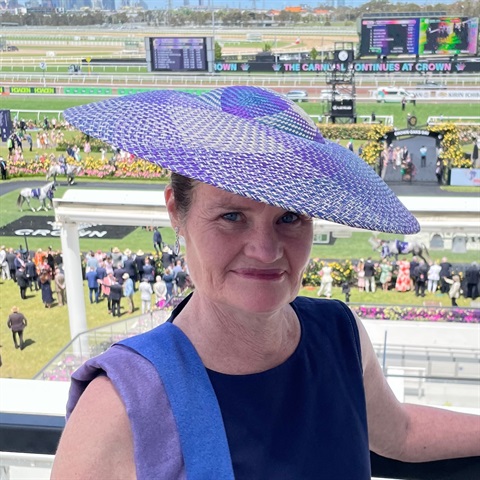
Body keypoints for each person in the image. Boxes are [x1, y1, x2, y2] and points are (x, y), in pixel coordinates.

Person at [52, 87, 479, 478]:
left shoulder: (340, 334)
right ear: (176, 213)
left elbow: (399, 432)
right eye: (232, 216)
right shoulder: (118, 407)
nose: (265, 250)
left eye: (290, 217)